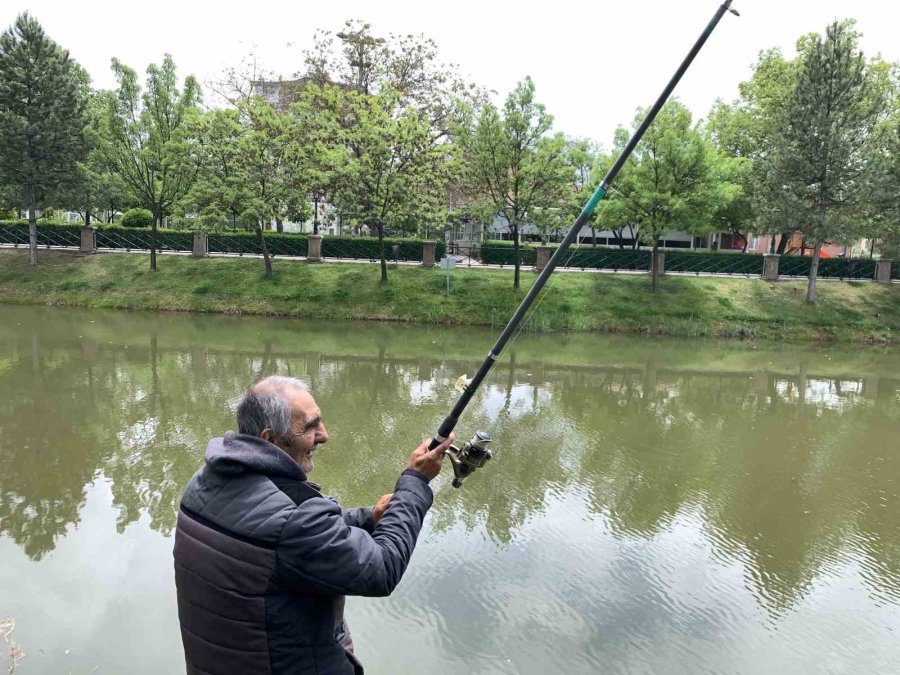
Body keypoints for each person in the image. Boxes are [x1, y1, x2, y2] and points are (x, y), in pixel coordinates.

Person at [173, 375, 453, 675]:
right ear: (270, 439)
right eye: (310, 426)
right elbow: (382, 567)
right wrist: (415, 482)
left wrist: (368, 519)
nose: (324, 435)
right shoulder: (294, 520)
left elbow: (275, 533)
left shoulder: (205, 483)